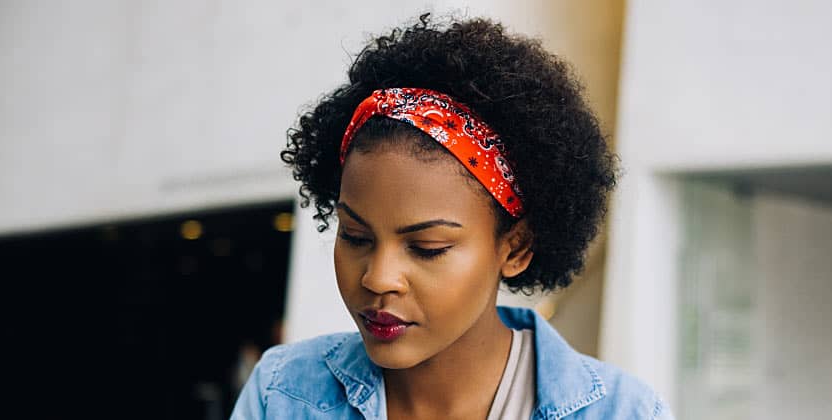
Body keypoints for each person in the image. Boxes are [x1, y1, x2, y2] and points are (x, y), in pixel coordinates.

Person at [232, 14, 670, 420]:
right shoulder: (281, 393)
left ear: (515, 248)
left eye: (427, 248)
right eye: (356, 236)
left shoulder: (624, 411)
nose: (379, 278)